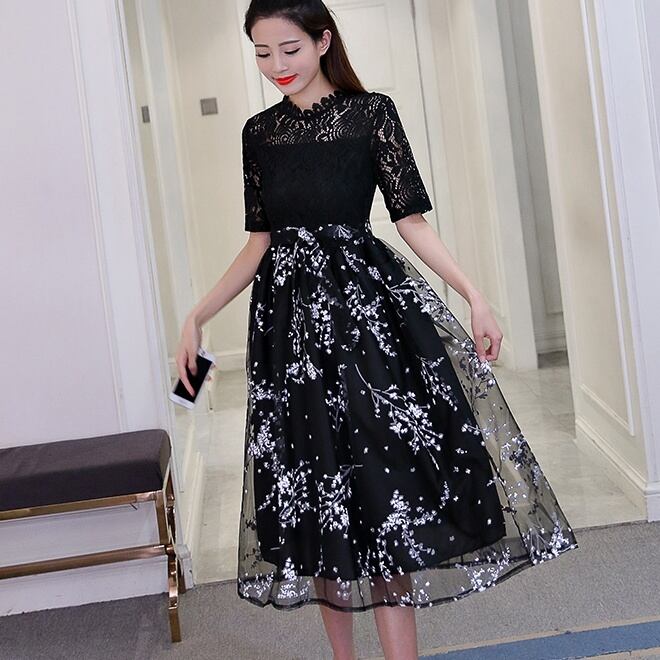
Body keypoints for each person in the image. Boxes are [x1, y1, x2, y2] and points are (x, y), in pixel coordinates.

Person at [176, 1, 579, 658]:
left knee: (382, 493)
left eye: (289, 49)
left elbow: (410, 220)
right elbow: (259, 242)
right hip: (290, 337)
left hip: (367, 326)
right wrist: (197, 314)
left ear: (322, 41)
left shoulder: (372, 115)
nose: (276, 66)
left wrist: (474, 294)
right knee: (316, 500)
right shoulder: (258, 133)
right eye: (262, 53)